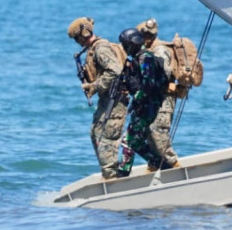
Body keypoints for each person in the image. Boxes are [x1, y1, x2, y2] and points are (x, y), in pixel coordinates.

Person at [68, 17, 130, 179]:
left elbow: (114, 71)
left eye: (77, 38)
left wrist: (95, 86)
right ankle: (108, 172)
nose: (77, 42)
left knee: (107, 137)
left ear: (84, 34)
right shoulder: (93, 49)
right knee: (95, 133)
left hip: (116, 100)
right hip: (107, 98)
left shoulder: (101, 49)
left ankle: (111, 176)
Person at [120, 27, 179, 172]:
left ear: (133, 44)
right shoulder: (137, 59)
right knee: (136, 141)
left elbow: (148, 82)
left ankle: (123, 172)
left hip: (147, 106)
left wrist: (138, 99)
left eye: (126, 45)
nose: (124, 49)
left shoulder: (145, 57)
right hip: (145, 105)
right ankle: (161, 165)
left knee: (128, 140)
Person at [135, 18, 181, 169]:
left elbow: (164, 74)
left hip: (164, 98)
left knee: (158, 131)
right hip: (155, 98)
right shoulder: (149, 51)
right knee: (149, 131)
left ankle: (174, 164)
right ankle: (156, 164)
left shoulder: (160, 51)